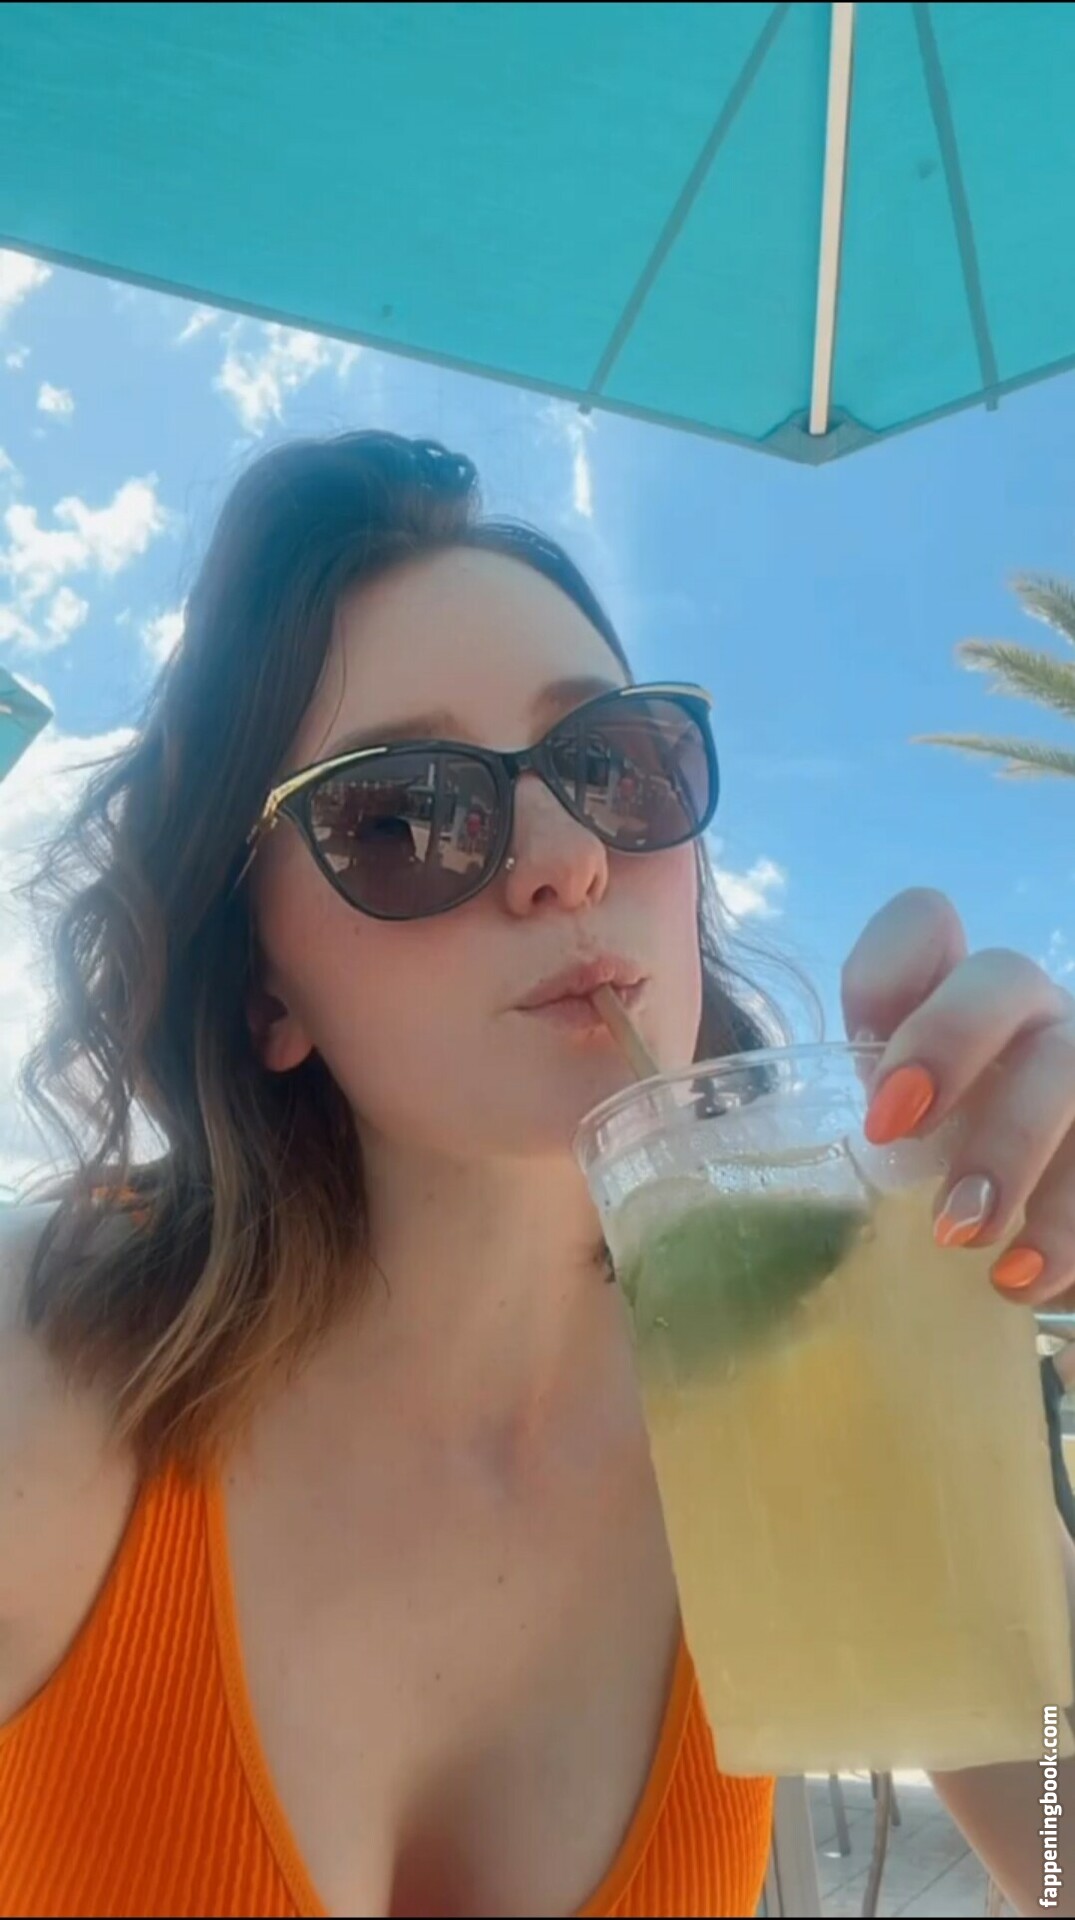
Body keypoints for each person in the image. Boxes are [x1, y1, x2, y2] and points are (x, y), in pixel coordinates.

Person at [1, 431, 1074, 1920]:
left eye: (616, 766)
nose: (568, 859)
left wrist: (969, 1445)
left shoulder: (799, 1403)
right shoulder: (49, 1361)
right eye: (401, 814)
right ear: (263, 988)